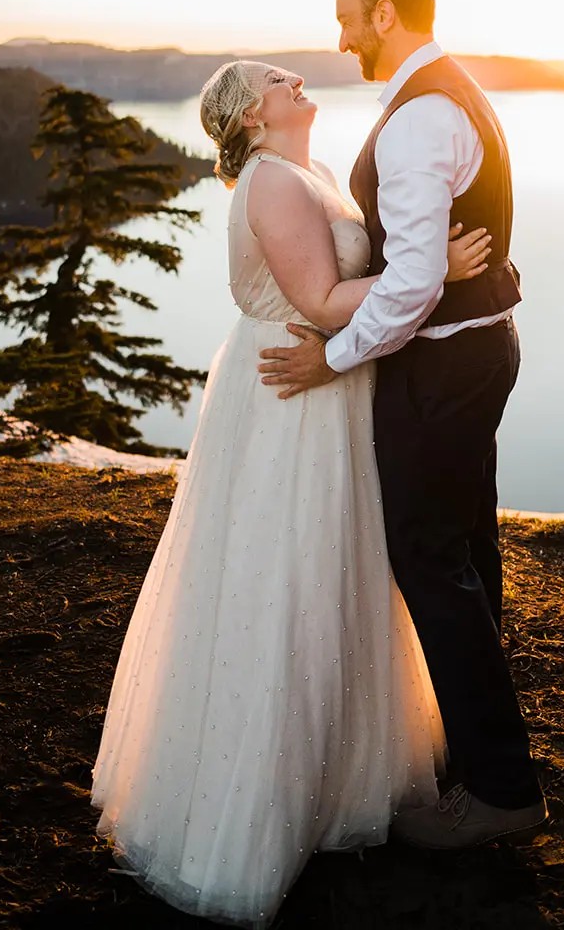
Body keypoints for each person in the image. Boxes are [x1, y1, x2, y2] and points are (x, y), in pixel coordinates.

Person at [90, 58, 491, 924]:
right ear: (249, 121)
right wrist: (437, 280)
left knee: (331, 571)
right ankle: (253, 809)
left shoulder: (302, 171)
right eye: (276, 80)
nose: (296, 79)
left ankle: (338, 780)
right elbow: (314, 296)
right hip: (292, 390)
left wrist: (415, 271)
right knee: (284, 578)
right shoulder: (272, 182)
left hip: (324, 385)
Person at [259, 0, 547, 848]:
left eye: (348, 21)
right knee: (462, 549)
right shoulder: (449, 92)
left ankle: (500, 790)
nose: (342, 40)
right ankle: (481, 761)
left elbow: (414, 279)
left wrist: (333, 358)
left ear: (385, 13)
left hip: (444, 366)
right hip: (476, 348)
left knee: (428, 560)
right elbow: (434, 256)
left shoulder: (419, 116)